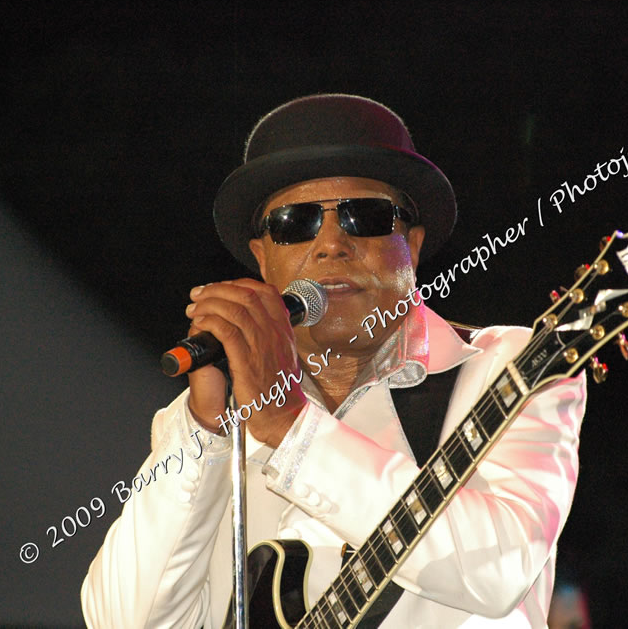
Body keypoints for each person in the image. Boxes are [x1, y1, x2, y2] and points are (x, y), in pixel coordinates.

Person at [81, 94, 587, 627]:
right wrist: (205, 432)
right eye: (295, 223)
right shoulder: (207, 423)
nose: (330, 244)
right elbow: (124, 620)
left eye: (364, 217)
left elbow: (500, 568)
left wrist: (290, 428)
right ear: (262, 258)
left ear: (411, 246)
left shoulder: (513, 367)